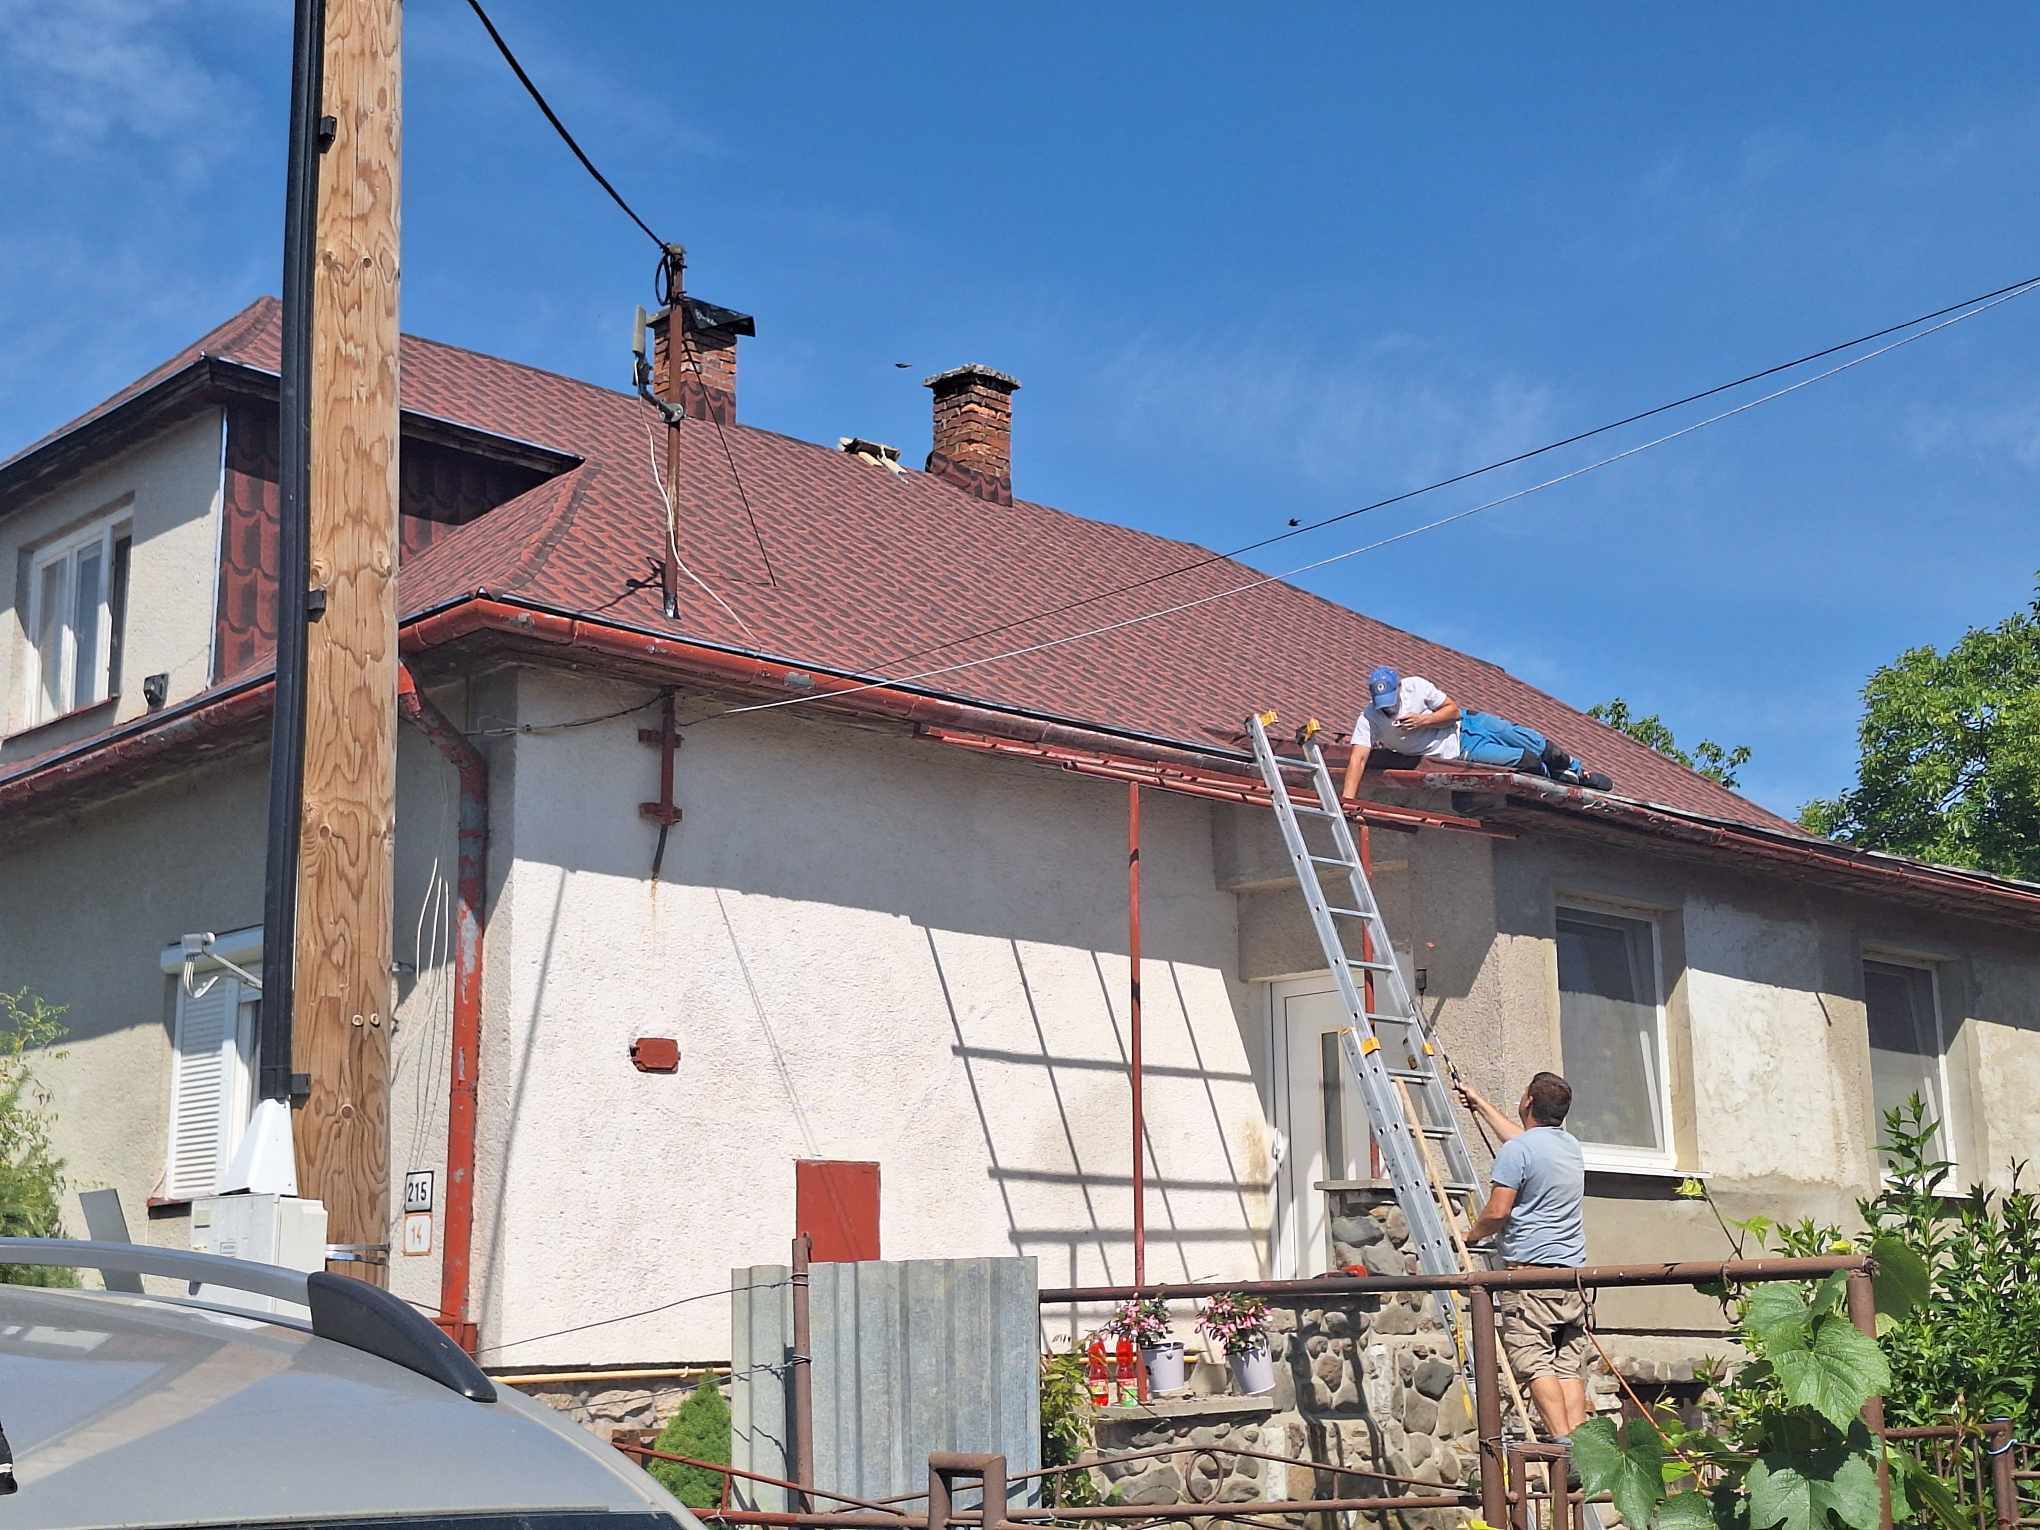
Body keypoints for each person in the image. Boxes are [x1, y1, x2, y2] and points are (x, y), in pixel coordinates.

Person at [1456, 1071, 1591, 1447]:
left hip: (1530, 1277)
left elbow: (1498, 1212)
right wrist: (1480, 1104)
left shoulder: (1518, 1152)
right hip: (1571, 1277)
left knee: (1533, 1358)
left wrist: (1471, 1235)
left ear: (1528, 1102)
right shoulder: (1569, 1147)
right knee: (1567, 1363)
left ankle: (1562, 1443)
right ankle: (1581, 1448)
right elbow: (1524, 1142)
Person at [1339, 665, 1612, 800]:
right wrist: (1347, 802)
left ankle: (1578, 772)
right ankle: (1556, 778)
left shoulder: (1416, 687)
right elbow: (1358, 759)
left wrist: (1423, 721)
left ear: (1398, 688)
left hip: (1471, 724)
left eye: (1391, 703)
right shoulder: (1370, 718)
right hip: (1461, 750)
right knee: (1525, 760)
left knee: (1540, 745)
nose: (1388, 710)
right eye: (1383, 706)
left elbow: (1453, 711)